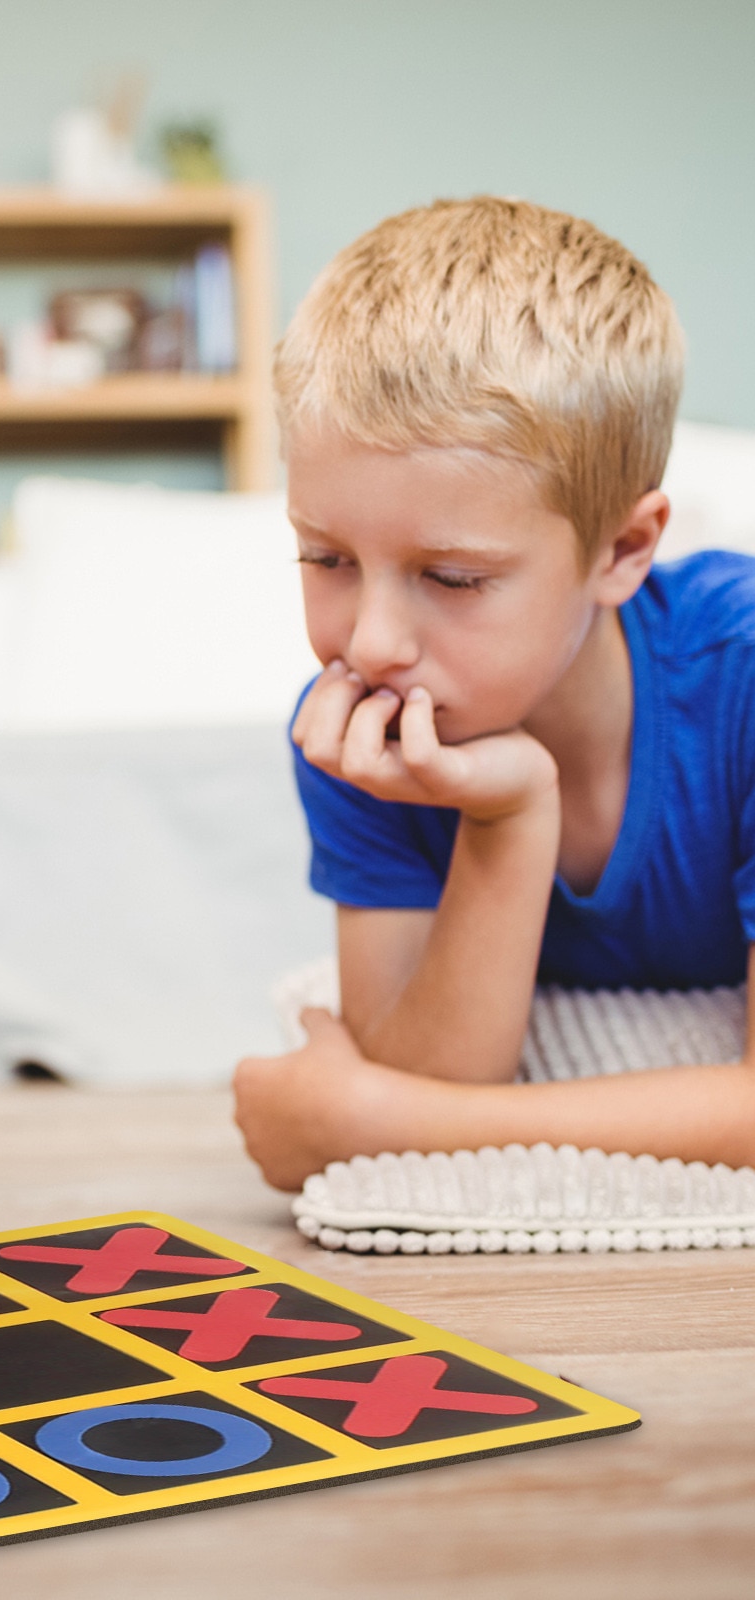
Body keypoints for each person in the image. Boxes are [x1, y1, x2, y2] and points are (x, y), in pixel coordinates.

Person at [232, 197, 755, 1190]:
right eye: (325, 556)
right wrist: (510, 814)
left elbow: (394, 1106)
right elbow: (427, 1073)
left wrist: (377, 1122)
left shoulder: (742, 676)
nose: (372, 642)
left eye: (453, 578)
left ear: (624, 549)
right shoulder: (362, 730)